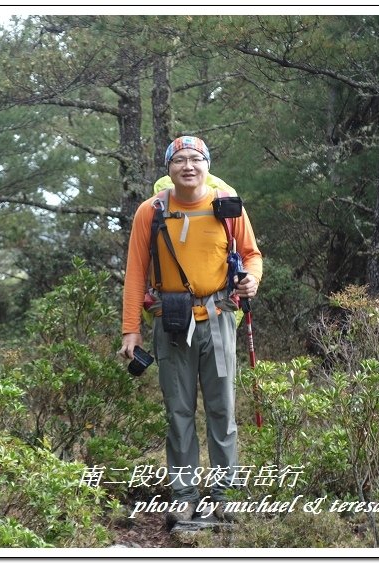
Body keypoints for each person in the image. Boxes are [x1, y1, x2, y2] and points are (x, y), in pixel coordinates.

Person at [119, 135, 262, 527]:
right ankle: (183, 497)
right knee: (178, 413)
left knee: (222, 411)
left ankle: (225, 496)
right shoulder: (150, 211)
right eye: (179, 159)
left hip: (218, 318)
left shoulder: (228, 207)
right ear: (168, 168)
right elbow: (134, 274)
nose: (188, 166)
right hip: (171, 322)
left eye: (195, 159)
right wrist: (130, 330)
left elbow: (251, 255)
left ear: (207, 165)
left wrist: (250, 280)